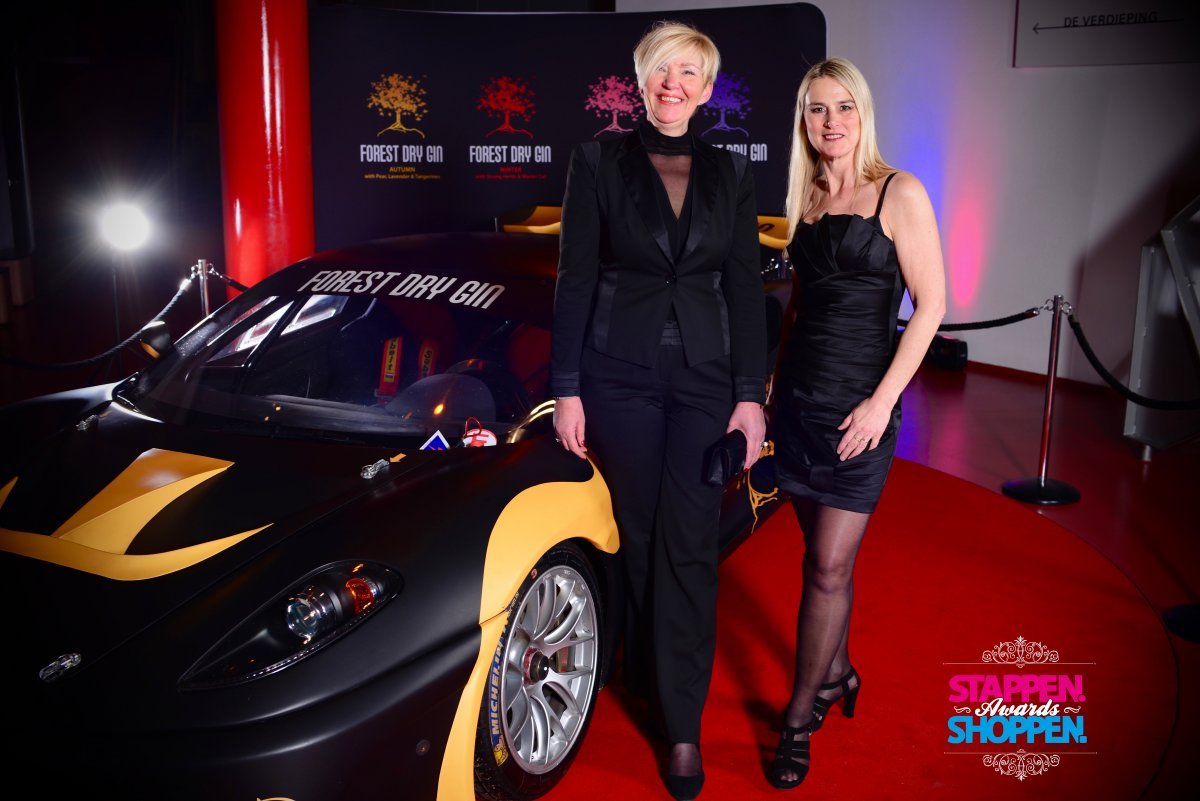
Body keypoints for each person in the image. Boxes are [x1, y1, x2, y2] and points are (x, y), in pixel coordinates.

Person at [549, 19, 767, 801]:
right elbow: (576, 277)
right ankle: (639, 665)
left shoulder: (731, 171)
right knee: (637, 535)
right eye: (660, 71)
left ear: (706, 90)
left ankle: (681, 724)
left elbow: (743, 285)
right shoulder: (597, 162)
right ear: (641, 82)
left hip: (706, 379)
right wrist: (567, 387)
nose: (673, 84)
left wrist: (751, 397)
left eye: (689, 73)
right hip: (618, 377)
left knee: (689, 541)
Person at [766, 57, 946, 789]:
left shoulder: (900, 192)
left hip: (860, 410)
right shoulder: (807, 195)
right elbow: (802, 305)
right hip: (799, 403)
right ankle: (838, 672)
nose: (831, 121)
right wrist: (774, 382)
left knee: (828, 567)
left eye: (843, 107)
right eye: (817, 109)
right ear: (804, 121)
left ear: (863, 113)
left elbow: (931, 307)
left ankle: (797, 718)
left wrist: (880, 404)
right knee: (820, 560)